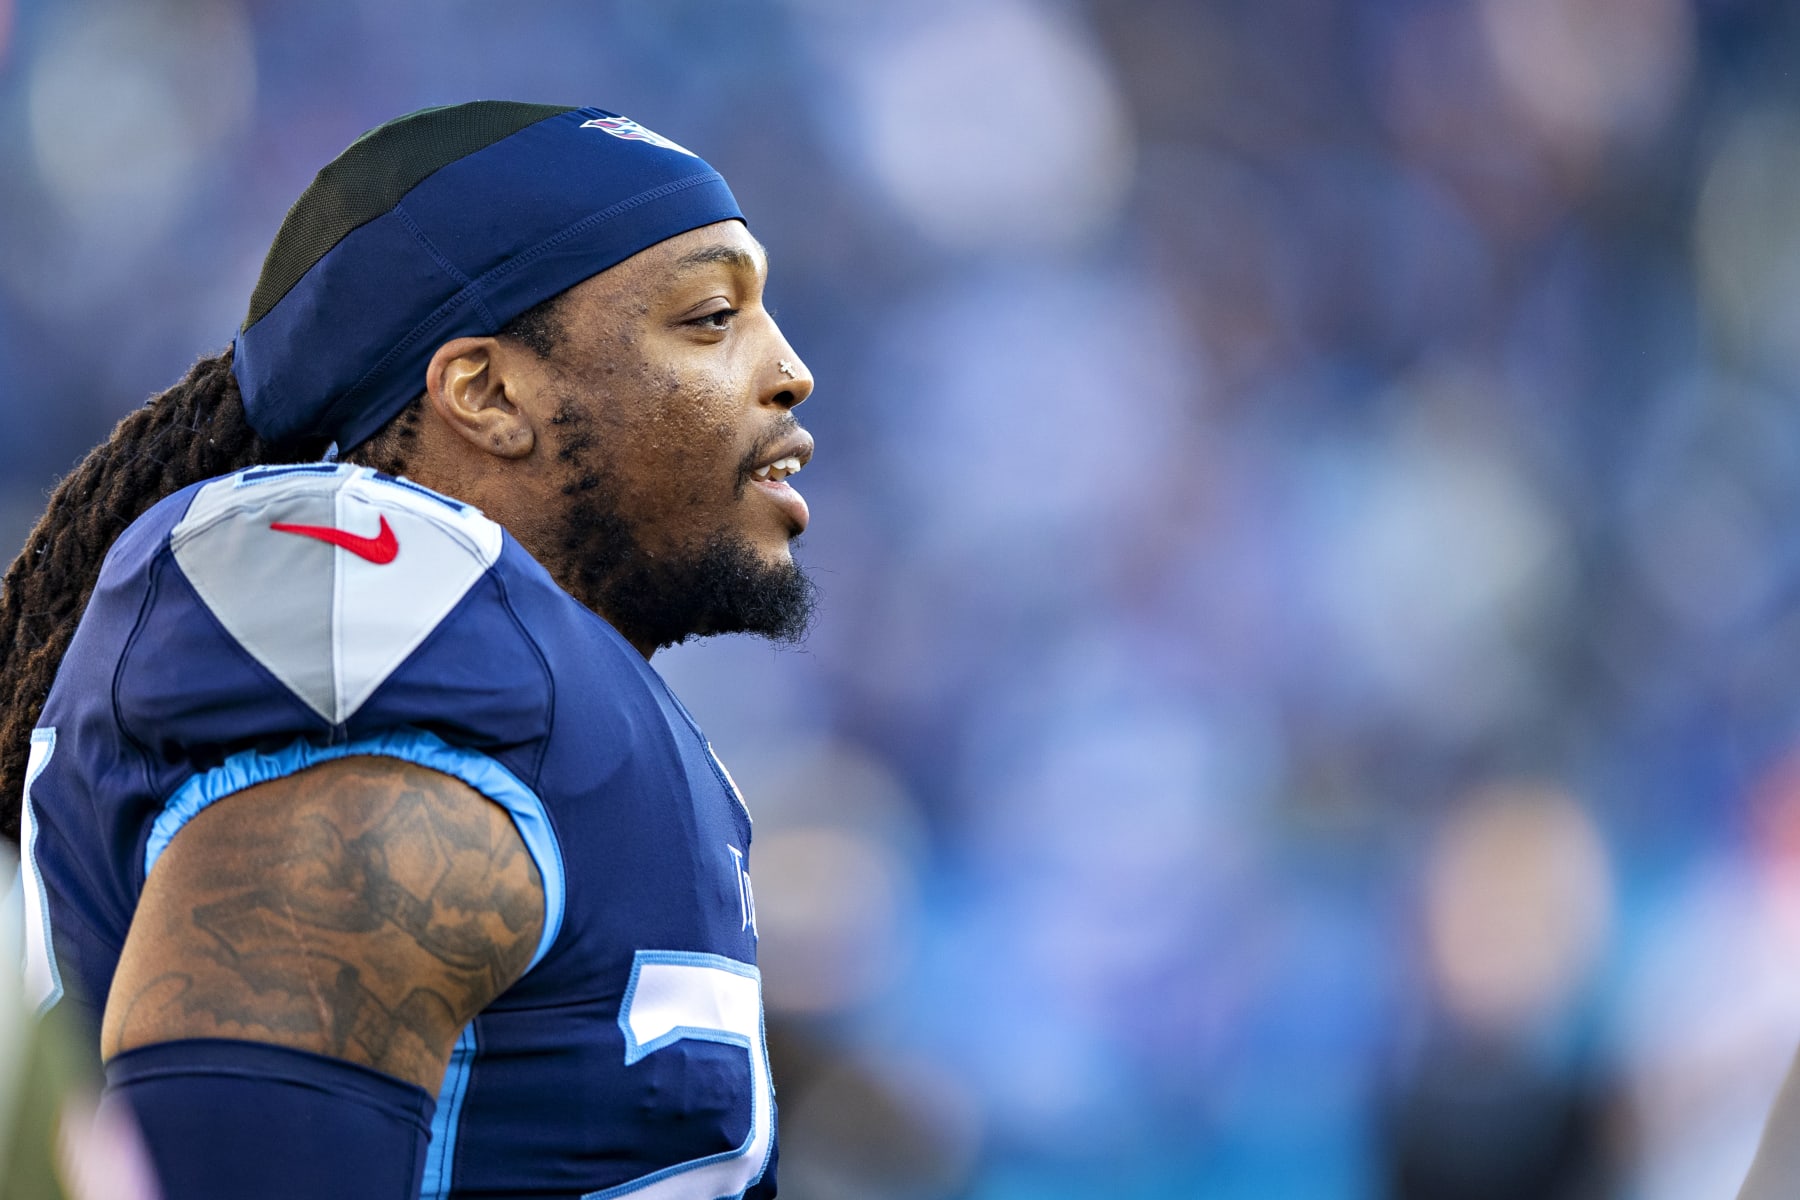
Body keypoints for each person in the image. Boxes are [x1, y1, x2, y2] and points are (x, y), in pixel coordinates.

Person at [0, 101, 816, 1199]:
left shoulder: (563, 693)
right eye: (713, 317)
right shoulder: (398, 630)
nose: (791, 370)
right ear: (487, 392)